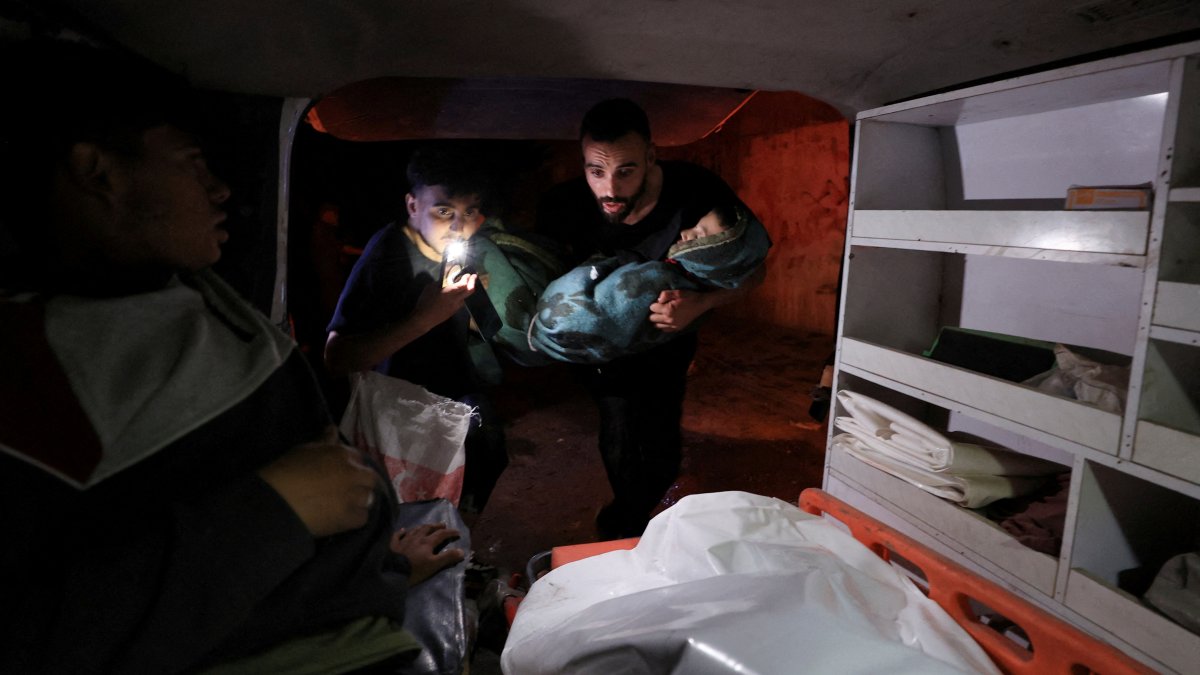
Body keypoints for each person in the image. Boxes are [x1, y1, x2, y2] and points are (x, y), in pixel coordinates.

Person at [0, 40, 463, 674]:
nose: (221, 190)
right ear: (98, 172)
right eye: (192, 164)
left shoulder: (181, 293)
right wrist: (277, 509)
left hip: (344, 613)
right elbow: (38, 631)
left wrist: (379, 566)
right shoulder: (37, 363)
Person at [535, 98, 768, 539]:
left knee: (662, 451)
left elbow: (755, 271)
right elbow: (541, 291)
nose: (610, 189)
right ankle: (623, 531)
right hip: (603, 352)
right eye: (595, 171)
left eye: (626, 171)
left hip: (670, 338)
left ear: (651, 156)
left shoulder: (697, 194)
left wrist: (700, 304)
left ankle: (633, 518)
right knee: (621, 423)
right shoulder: (563, 206)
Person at [324, 146, 509, 517]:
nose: (458, 227)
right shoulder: (387, 255)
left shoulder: (463, 249)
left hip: (457, 403)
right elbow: (337, 356)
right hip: (402, 418)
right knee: (416, 513)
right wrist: (424, 319)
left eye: (469, 212)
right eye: (444, 211)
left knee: (486, 460)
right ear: (412, 205)